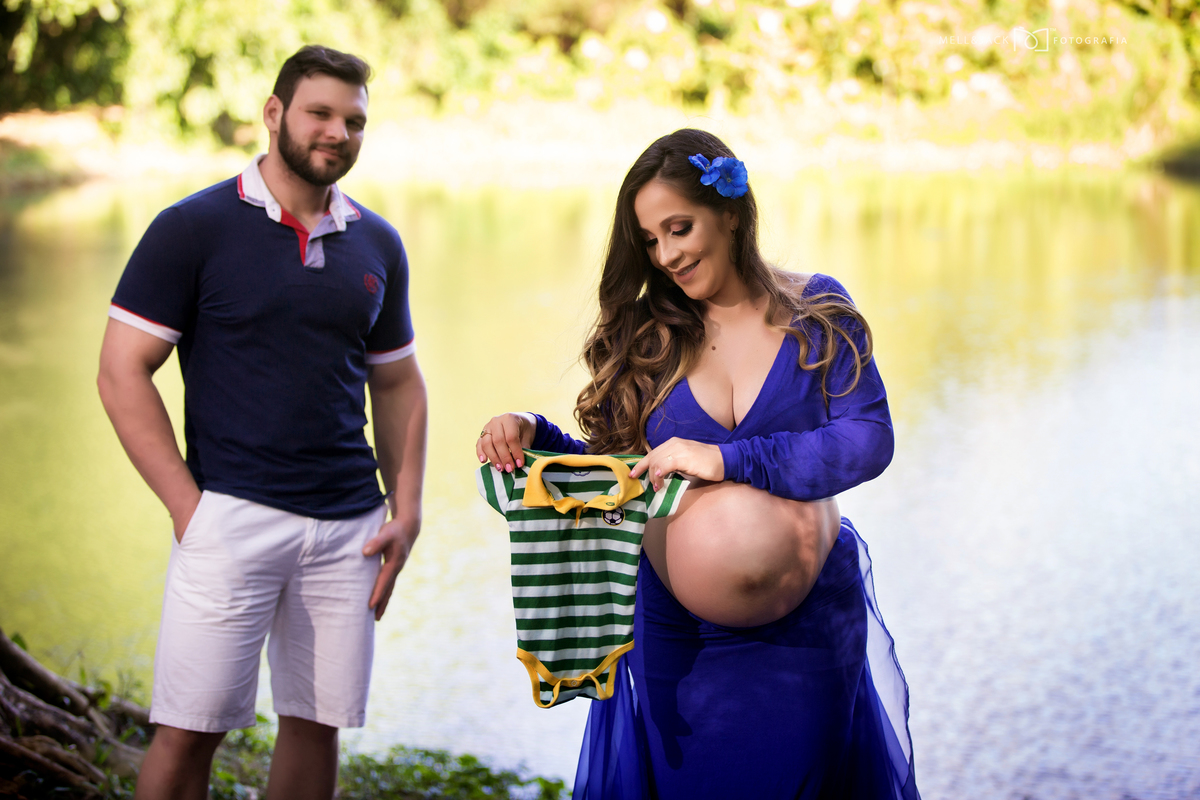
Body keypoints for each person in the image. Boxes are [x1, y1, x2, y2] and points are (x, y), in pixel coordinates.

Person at [476, 129, 919, 799]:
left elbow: (868, 440)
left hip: (809, 639)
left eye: (679, 228)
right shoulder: (647, 336)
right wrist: (532, 433)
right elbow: (619, 473)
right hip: (678, 644)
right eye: (651, 240)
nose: (667, 254)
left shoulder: (816, 313)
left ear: (730, 212)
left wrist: (728, 459)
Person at [97, 45, 427, 800]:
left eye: (355, 121)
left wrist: (405, 510)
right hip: (230, 517)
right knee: (189, 730)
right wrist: (188, 508)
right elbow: (121, 371)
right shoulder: (193, 227)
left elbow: (398, 382)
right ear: (274, 113)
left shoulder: (378, 242)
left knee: (315, 725)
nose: (338, 132)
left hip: (349, 528)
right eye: (320, 113)